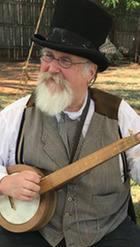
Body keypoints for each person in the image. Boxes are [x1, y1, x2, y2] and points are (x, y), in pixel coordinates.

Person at [0, 0, 140, 246]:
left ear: (91, 72)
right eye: (48, 56)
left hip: (107, 232)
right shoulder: (16, 115)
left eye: (65, 61)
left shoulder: (120, 116)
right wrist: (4, 182)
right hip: (33, 233)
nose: (52, 68)